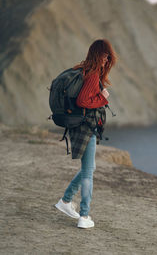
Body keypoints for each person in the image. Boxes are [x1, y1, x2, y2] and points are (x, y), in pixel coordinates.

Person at [54, 39, 117, 229]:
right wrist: (102, 97)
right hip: (85, 127)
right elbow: (83, 101)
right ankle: (84, 215)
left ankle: (65, 201)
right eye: (105, 56)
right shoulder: (92, 74)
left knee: (90, 168)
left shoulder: (82, 69)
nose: (107, 60)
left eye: (109, 57)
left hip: (79, 126)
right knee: (89, 172)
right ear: (99, 55)